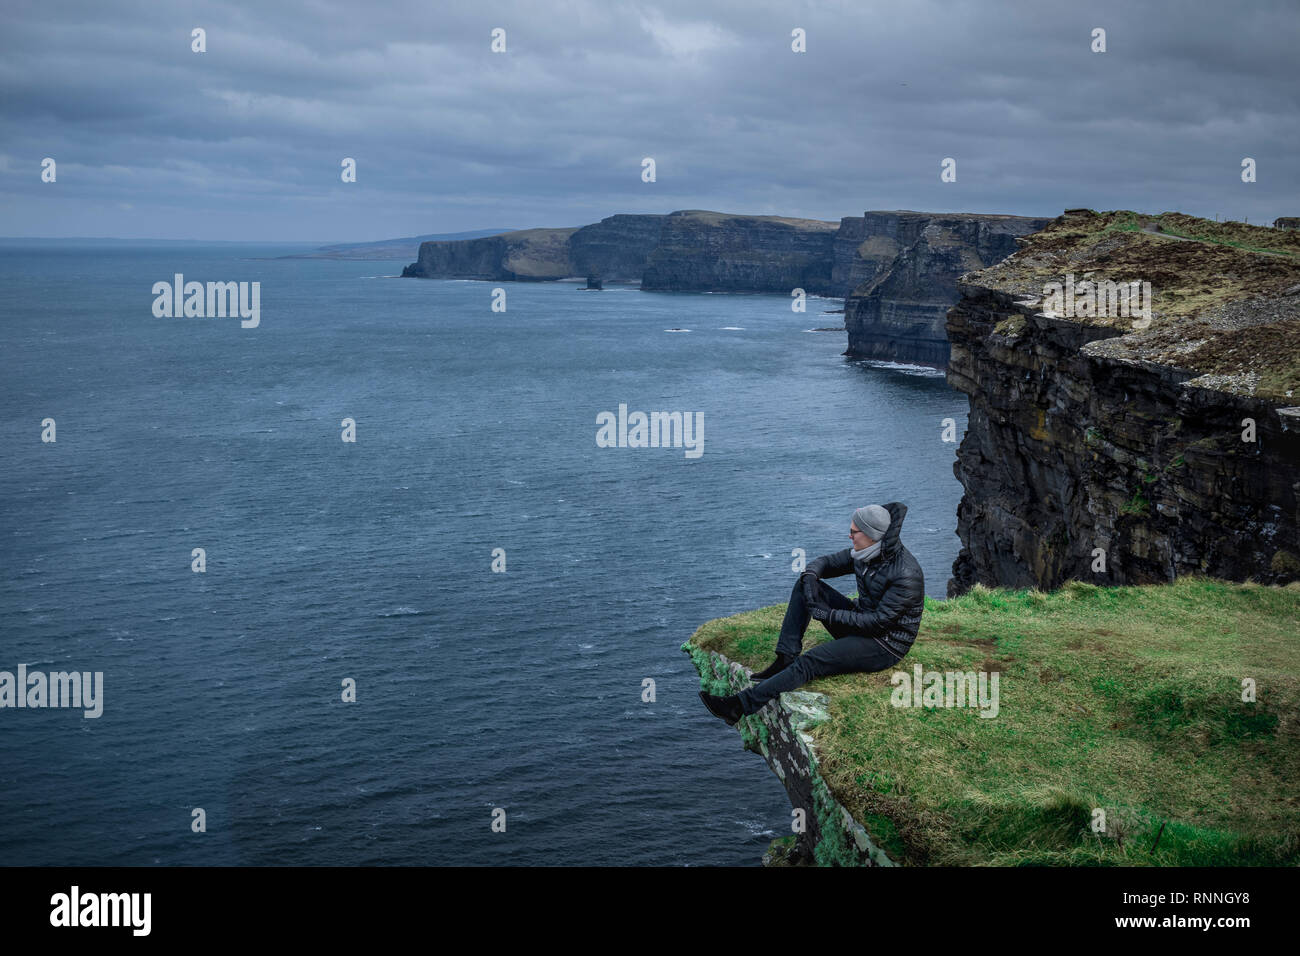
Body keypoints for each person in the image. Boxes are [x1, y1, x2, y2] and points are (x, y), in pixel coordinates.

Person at [699, 502, 924, 726]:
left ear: (871, 535)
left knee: (812, 661)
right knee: (804, 586)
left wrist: (829, 614)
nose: (849, 536)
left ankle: (737, 706)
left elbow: (878, 623)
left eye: (854, 532)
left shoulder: (905, 573)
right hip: (861, 622)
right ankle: (785, 658)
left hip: (884, 644)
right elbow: (827, 562)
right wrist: (810, 575)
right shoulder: (866, 552)